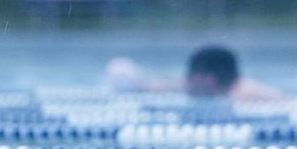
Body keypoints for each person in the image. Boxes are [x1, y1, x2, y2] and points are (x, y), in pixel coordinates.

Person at [104, 45, 282, 101]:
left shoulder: (246, 94)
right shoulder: (210, 88)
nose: (186, 81)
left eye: (190, 76)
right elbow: (171, 85)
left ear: (208, 79)